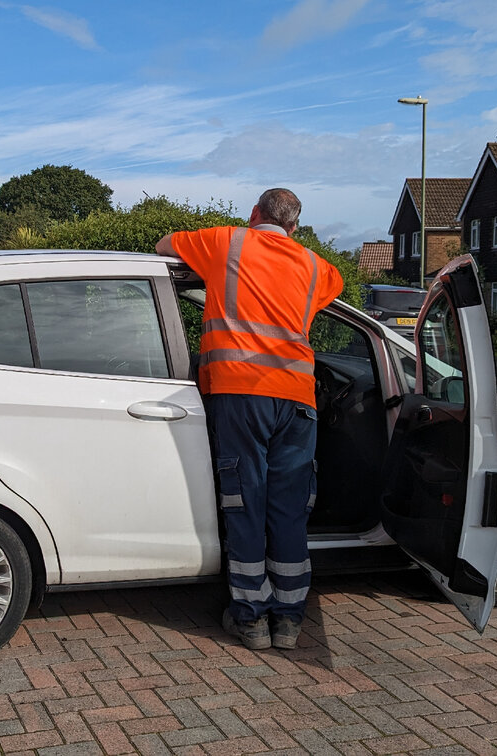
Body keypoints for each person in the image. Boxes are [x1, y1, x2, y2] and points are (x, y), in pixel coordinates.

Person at [156, 188, 343, 650]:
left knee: (244, 503)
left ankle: (251, 619)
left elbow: (163, 246)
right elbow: (329, 292)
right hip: (298, 399)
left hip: (240, 395)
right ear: (295, 226)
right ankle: (290, 621)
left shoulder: (226, 242)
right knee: (289, 509)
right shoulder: (317, 267)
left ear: (254, 213)